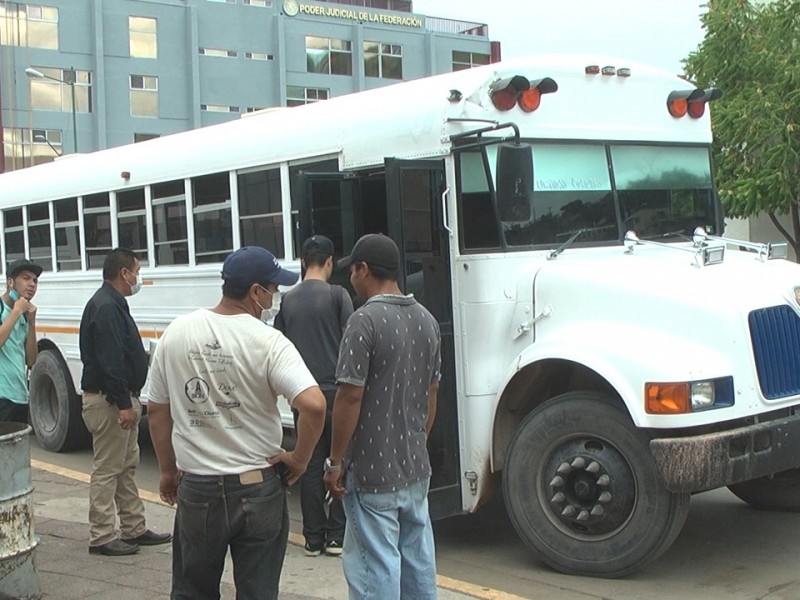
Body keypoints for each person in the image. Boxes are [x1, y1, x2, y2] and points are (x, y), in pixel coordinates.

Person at [147, 245, 326, 600]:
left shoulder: (178, 331)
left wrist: (168, 470)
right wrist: (300, 459)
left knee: (193, 592)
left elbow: (156, 409)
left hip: (197, 488)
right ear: (255, 292)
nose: (273, 297)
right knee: (258, 592)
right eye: (272, 290)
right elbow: (315, 406)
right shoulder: (270, 342)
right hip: (258, 486)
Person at [323, 234, 442, 600]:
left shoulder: (364, 321)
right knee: (418, 559)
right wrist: (416, 441)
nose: (351, 279)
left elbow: (349, 396)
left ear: (363, 269)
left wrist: (335, 461)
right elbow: (431, 393)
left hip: (372, 472)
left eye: (352, 270)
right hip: (415, 468)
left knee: (376, 565)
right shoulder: (427, 320)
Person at [79, 248, 172, 557]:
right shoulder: (106, 307)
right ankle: (102, 535)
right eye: (137, 270)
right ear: (124, 273)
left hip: (118, 398)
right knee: (108, 468)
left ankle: (133, 527)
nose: (138, 277)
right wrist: (123, 403)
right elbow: (110, 361)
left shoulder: (112, 304)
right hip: (109, 402)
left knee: (126, 465)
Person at [274, 234, 353, 557]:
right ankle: (336, 536)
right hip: (337, 394)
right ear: (330, 262)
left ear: (303, 262)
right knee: (340, 460)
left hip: (303, 396)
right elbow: (351, 342)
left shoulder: (288, 300)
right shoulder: (338, 295)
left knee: (306, 463)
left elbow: (279, 344)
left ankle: (313, 538)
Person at [0, 259, 41, 424]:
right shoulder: (4, 309)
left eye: (35, 280)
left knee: (17, 449)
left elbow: (31, 360)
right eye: (26, 278)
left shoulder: (24, 314)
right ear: (10, 282)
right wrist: (16, 312)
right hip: (2, 396)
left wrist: (31, 323)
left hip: (19, 396)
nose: (31, 284)